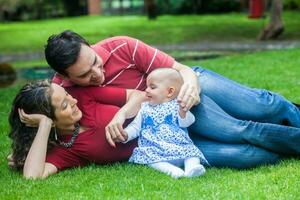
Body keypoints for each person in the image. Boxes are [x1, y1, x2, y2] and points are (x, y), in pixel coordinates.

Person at [41, 30, 300, 168]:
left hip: (184, 87)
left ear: (91, 46)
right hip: (165, 126)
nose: (98, 74)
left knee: (263, 107)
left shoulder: (122, 46)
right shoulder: (62, 88)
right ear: (65, 76)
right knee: (242, 145)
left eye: (96, 62)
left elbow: (181, 69)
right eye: (85, 75)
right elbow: (41, 109)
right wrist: (25, 150)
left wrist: (190, 87)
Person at [8, 80, 145, 179]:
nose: (74, 101)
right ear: (52, 121)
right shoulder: (65, 149)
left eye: (67, 94)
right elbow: (32, 176)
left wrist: (121, 115)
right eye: (65, 105)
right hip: (157, 149)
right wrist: (44, 124)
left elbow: (140, 96)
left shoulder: (84, 95)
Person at [121, 68, 207, 178]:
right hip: (155, 150)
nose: (146, 90)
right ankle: (172, 170)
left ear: (170, 92)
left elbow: (187, 122)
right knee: (149, 158)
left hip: (179, 147)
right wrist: (126, 134)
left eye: (152, 87)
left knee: (192, 151)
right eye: (147, 87)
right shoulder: (144, 108)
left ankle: (192, 167)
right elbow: (136, 127)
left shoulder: (177, 105)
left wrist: (183, 112)